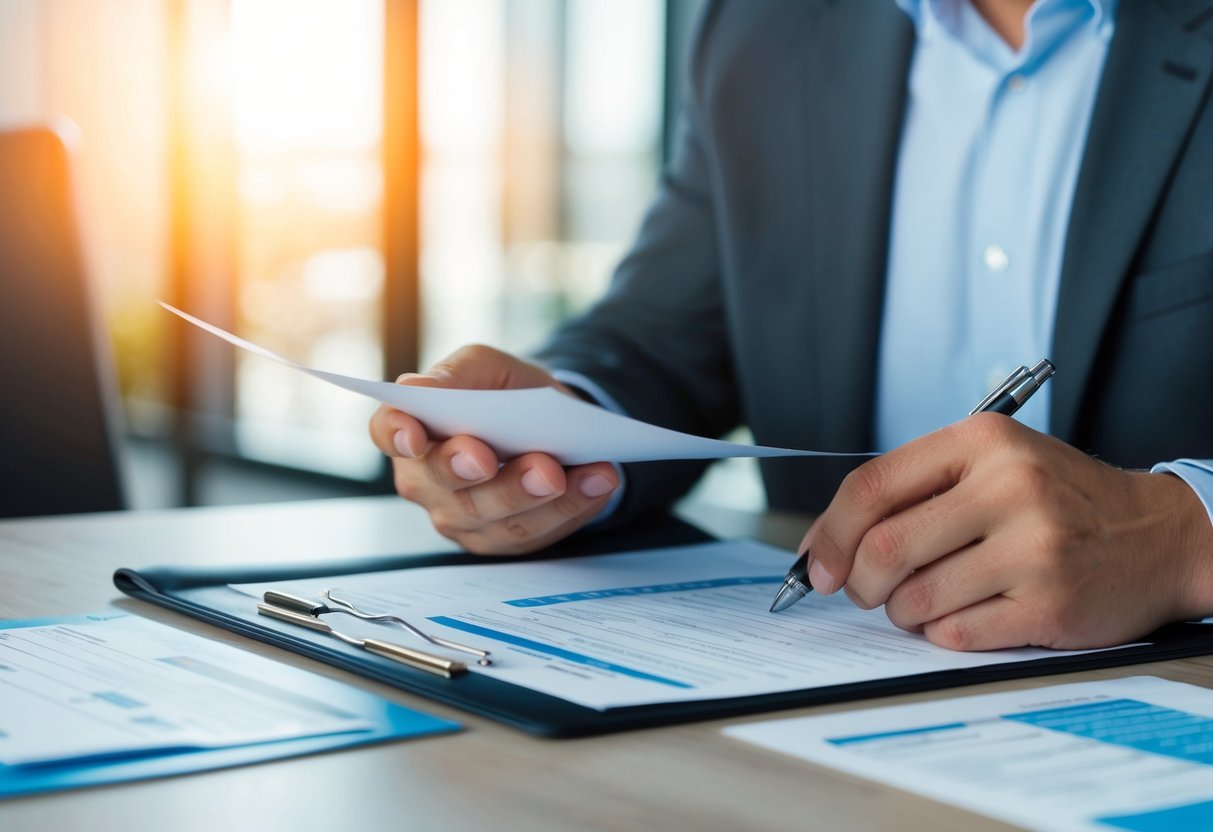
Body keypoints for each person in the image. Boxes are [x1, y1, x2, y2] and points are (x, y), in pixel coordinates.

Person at [370, 0, 1213, 651]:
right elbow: (664, 335)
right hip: (835, 683)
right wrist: (547, 433)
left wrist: (1182, 545)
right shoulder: (762, 26)